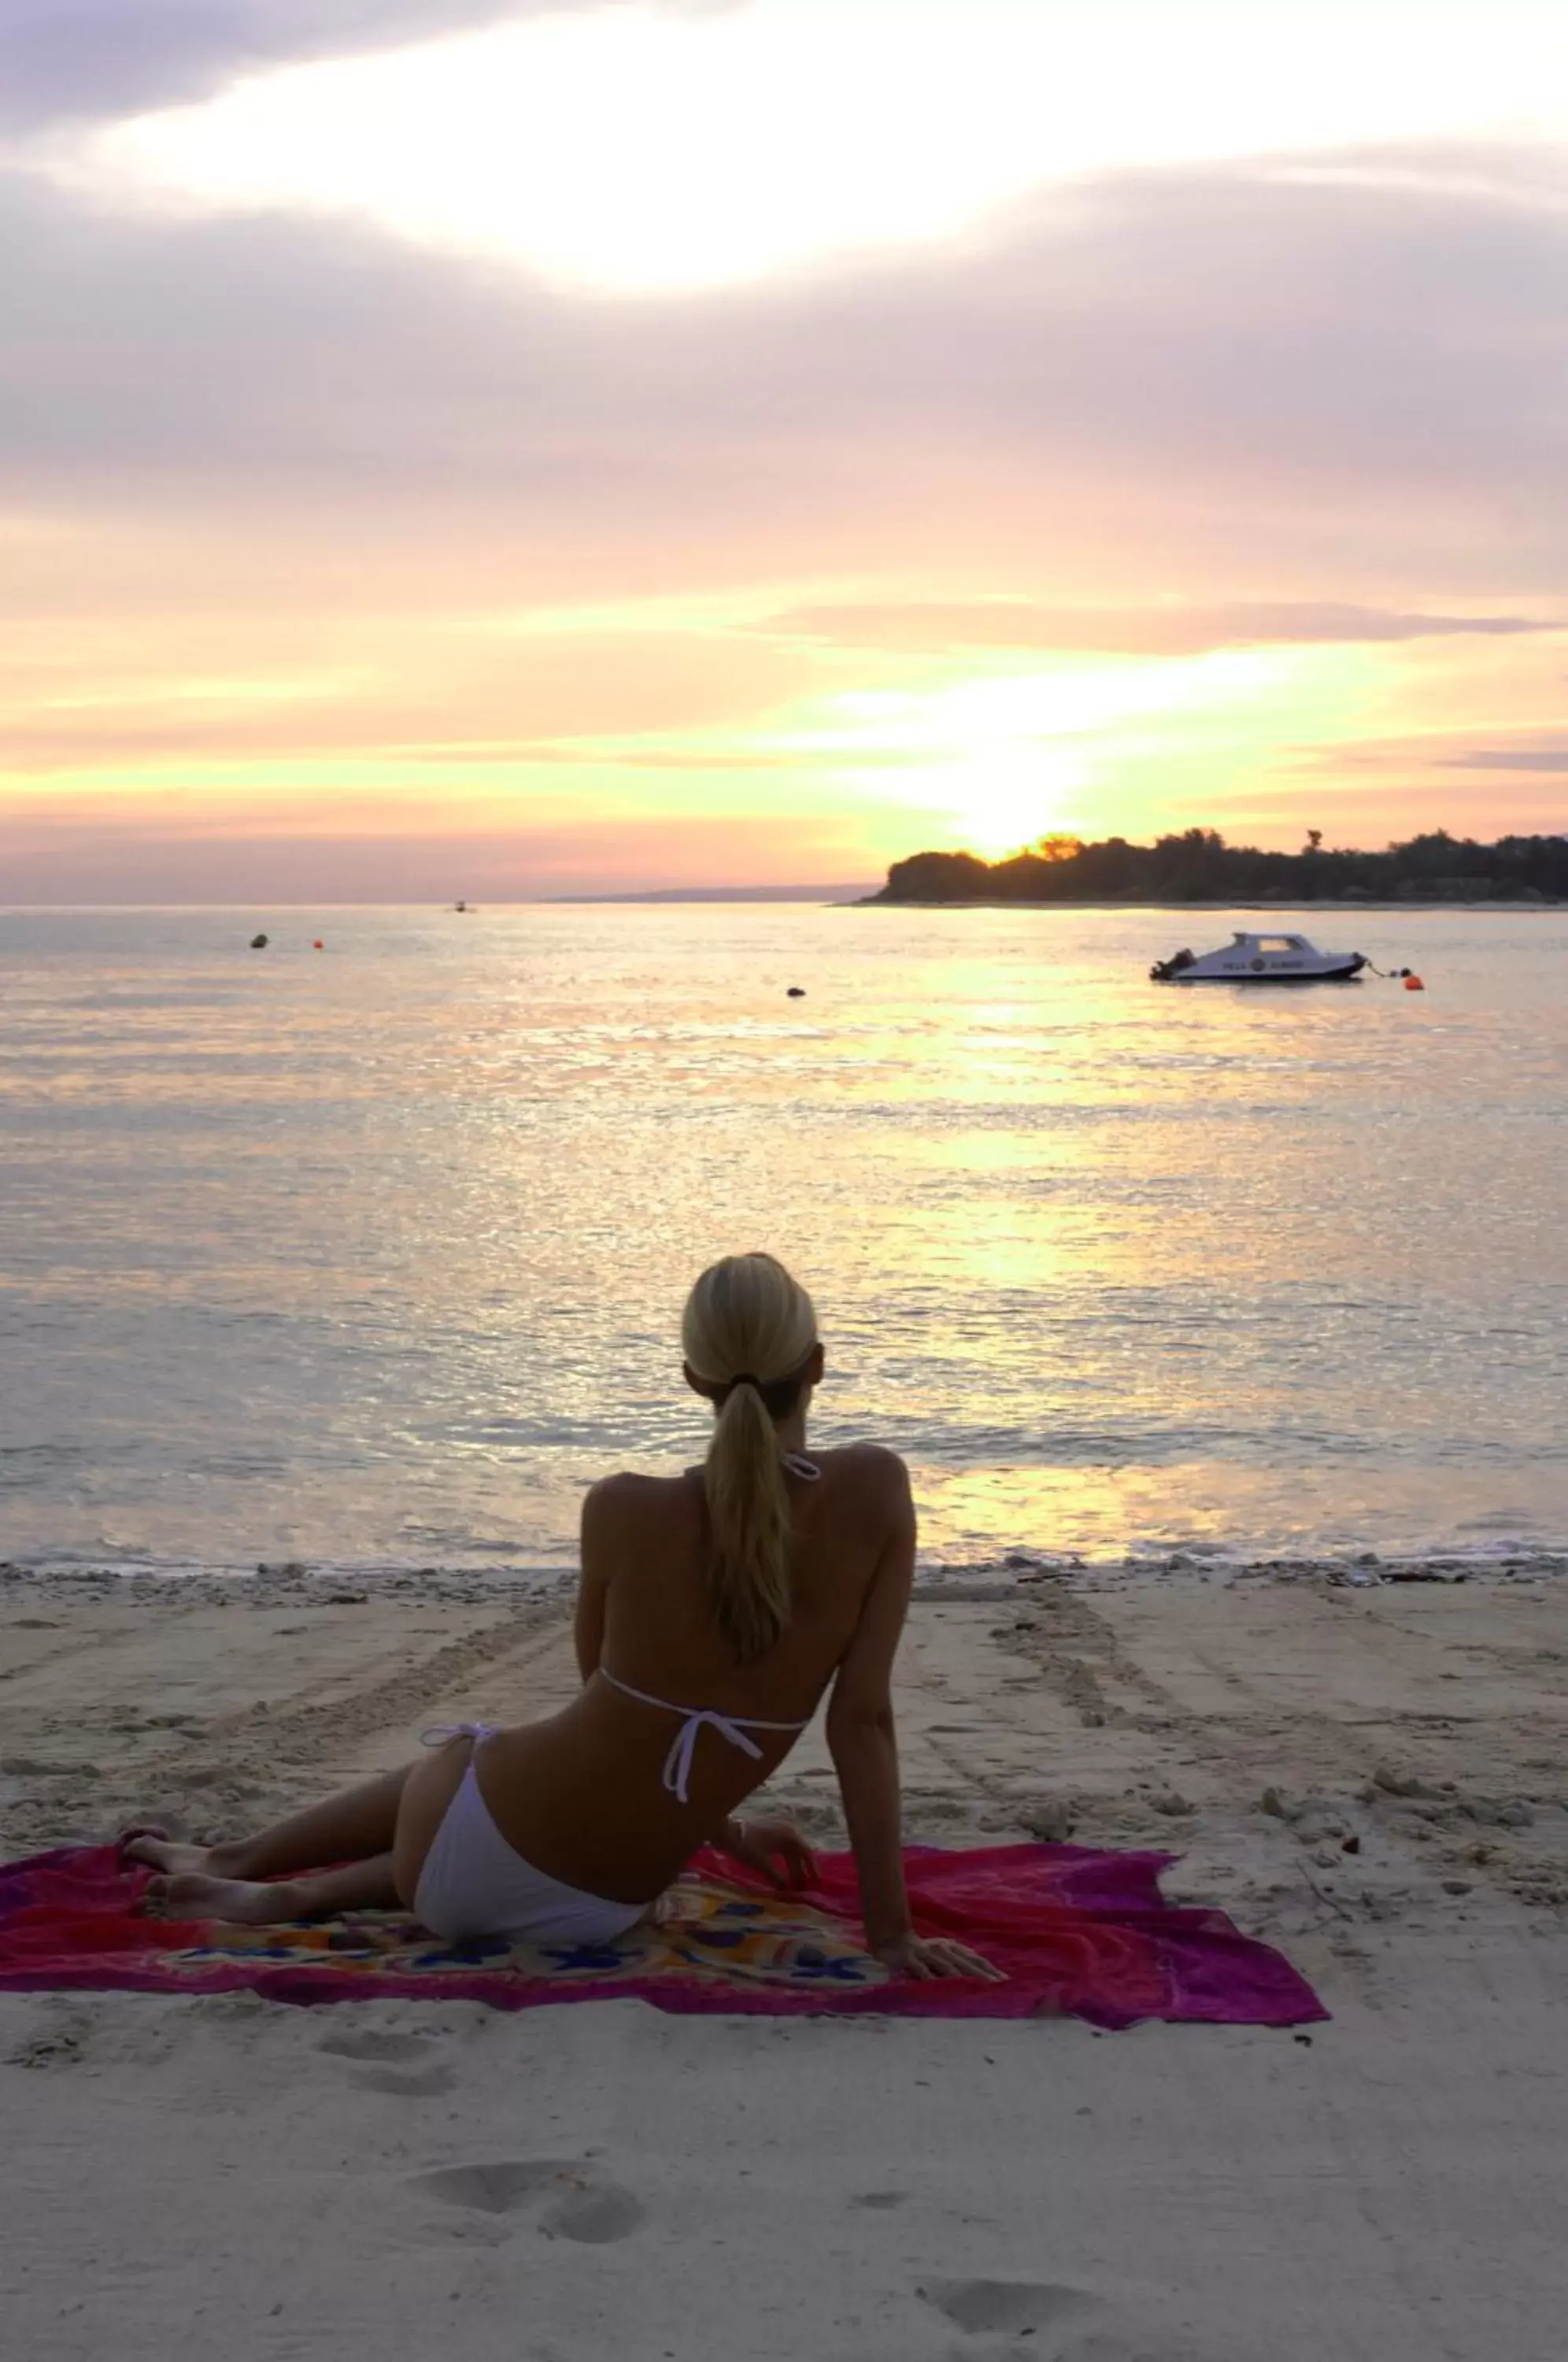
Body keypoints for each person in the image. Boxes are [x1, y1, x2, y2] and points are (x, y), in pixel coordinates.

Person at [121, 1253, 999, 1982]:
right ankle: (280, 1889)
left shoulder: (620, 1508)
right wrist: (889, 1936)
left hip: (451, 1860)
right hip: (602, 1908)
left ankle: (249, 1867)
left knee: (482, 1759)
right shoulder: (877, 1493)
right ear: (817, 1362)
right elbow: (863, 1721)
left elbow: (613, 1718)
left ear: (692, 1378)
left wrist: (725, 1832)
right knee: (518, 1799)